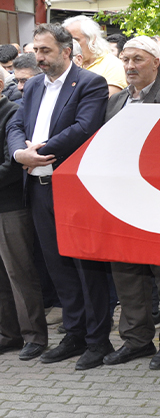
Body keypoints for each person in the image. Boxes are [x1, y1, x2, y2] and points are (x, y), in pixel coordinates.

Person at [6, 23, 111, 370]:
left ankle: (98, 340)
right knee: (57, 265)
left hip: (72, 187)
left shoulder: (90, 83)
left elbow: (84, 127)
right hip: (37, 187)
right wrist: (20, 155)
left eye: (46, 50)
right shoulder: (33, 85)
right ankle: (74, 333)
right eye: (36, 50)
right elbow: (16, 125)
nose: (39, 57)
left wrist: (40, 150)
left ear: (67, 51)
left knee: (85, 265)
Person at [101, 36, 160, 370]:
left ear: (156, 62)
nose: (129, 66)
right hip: (121, 200)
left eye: (138, 60)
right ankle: (136, 340)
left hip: (158, 198)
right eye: (125, 59)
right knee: (125, 271)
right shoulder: (116, 100)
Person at [0, 68, 46, 362]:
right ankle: (8, 334)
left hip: (10, 206)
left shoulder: (12, 112)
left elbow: (15, 163)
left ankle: (34, 336)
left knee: (20, 273)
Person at [62, 15, 127, 95]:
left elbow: (106, 102)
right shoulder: (72, 63)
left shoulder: (113, 65)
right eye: (66, 41)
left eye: (75, 40)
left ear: (92, 39)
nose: (70, 45)